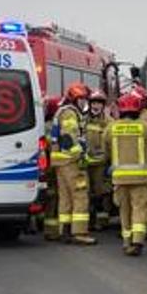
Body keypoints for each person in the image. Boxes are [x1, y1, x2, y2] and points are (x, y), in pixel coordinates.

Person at [108, 88, 147, 255]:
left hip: (119, 179)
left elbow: (105, 148)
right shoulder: (145, 127)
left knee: (124, 210)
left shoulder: (112, 128)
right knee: (139, 208)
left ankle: (126, 242)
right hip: (140, 178)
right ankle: (138, 241)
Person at [45, 82, 97, 244]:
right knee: (80, 195)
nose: (84, 103)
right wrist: (81, 156)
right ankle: (79, 233)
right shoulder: (70, 113)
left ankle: (65, 230)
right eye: (81, 100)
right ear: (74, 100)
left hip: (61, 162)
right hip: (71, 162)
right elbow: (69, 139)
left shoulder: (63, 111)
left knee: (65, 197)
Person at [83, 88, 113, 231]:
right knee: (86, 192)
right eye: (94, 103)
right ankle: (90, 219)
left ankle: (102, 220)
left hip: (102, 163)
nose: (96, 106)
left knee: (102, 192)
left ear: (103, 105)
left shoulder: (109, 121)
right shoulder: (83, 119)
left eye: (99, 103)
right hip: (86, 163)